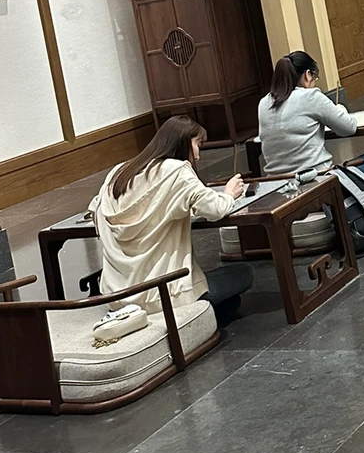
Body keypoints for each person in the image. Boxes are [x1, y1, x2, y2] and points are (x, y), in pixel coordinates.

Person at [89, 115, 254, 325]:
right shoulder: (177, 171)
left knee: (228, 300)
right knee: (244, 273)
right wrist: (229, 194)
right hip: (163, 295)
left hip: (117, 296)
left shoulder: (119, 173)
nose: (198, 155)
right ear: (184, 142)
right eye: (198, 145)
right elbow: (215, 209)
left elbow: (97, 210)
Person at [258, 50, 364, 182]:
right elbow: (349, 128)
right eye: (315, 78)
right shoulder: (311, 96)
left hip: (277, 183)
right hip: (316, 180)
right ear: (308, 74)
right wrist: (341, 110)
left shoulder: (264, 103)